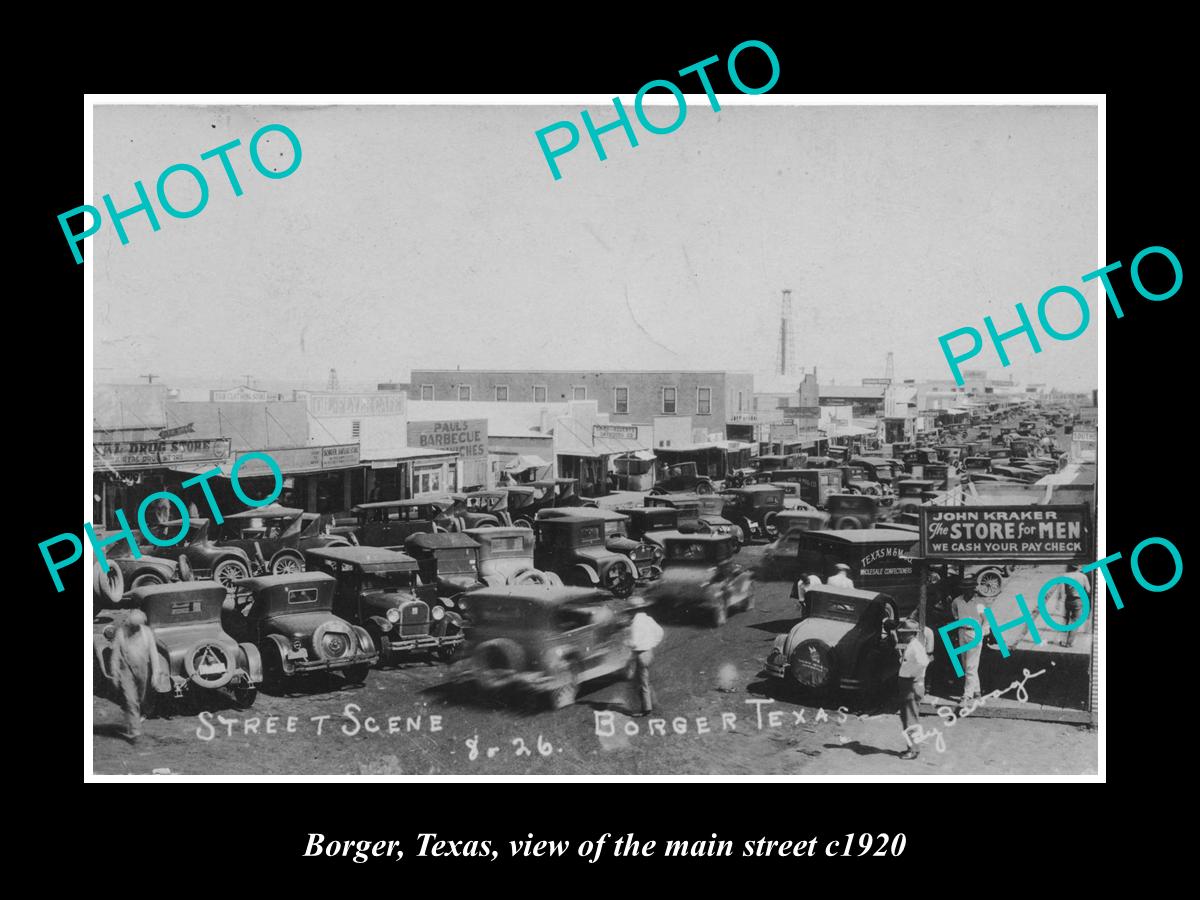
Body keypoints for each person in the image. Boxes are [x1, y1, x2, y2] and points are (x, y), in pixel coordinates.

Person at [97, 609, 163, 742]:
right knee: (131, 700)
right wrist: (115, 673)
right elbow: (115, 655)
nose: (133, 629)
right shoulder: (121, 633)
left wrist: (156, 672)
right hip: (126, 670)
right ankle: (135, 731)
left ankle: (142, 711)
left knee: (142, 696)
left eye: (135, 626)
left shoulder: (146, 633)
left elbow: (153, 653)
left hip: (143, 669)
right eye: (131, 626)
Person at [890, 616, 935, 760]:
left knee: (910, 719)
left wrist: (913, 676)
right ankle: (911, 747)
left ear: (911, 633)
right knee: (906, 717)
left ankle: (914, 749)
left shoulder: (915, 646)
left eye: (904, 632)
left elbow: (923, 663)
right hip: (907, 684)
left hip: (912, 684)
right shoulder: (911, 645)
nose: (901, 634)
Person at [952, 576, 987, 709]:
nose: (967, 591)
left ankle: (967, 695)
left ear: (974, 588)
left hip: (975, 633)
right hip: (962, 632)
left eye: (970, 588)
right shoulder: (957, 601)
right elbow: (954, 613)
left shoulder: (979, 603)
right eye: (965, 588)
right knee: (966, 663)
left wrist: (982, 633)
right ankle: (977, 691)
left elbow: (987, 620)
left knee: (971, 666)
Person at [627, 611, 664, 717]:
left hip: (641, 654)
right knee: (646, 680)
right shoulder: (648, 619)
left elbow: (634, 643)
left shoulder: (635, 624)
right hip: (649, 652)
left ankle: (646, 709)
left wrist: (627, 643)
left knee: (642, 682)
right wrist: (653, 643)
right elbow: (660, 632)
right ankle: (653, 704)